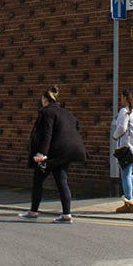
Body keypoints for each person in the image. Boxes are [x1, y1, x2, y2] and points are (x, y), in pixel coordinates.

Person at [19, 85, 87, 223]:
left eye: (42, 99)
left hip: (53, 154)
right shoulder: (67, 113)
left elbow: (47, 133)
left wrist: (42, 153)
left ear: (45, 99)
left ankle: (33, 211)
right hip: (66, 153)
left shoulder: (47, 112)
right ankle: (66, 214)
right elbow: (75, 129)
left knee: (38, 179)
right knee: (62, 181)